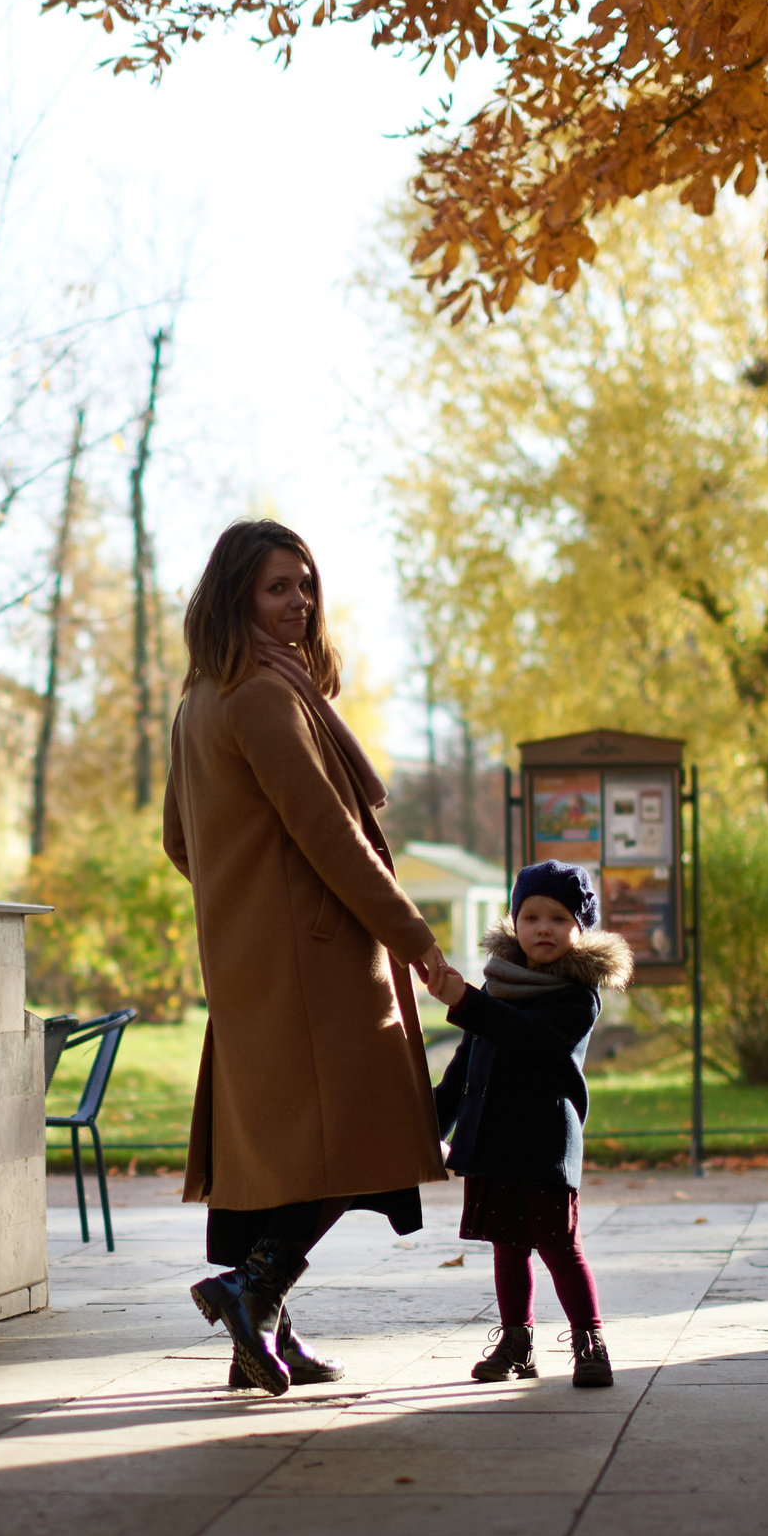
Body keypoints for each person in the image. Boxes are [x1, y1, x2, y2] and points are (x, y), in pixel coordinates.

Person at [162, 519, 450, 1395]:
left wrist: (240, 899)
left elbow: (181, 841)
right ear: (235, 595)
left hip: (256, 960)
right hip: (313, 963)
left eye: (306, 585)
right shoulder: (262, 697)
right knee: (362, 1133)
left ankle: (266, 1335)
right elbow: (332, 839)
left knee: (287, 1153)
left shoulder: (203, 698)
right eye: (277, 587)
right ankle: (252, 1290)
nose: (299, 603)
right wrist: (421, 944)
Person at [421, 861, 633, 1388]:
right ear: (514, 922)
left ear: (579, 929)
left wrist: (465, 1002)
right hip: (493, 1143)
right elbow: (462, 1074)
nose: (544, 928)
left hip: (543, 1145)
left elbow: (529, 1037)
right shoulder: (495, 992)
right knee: (508, 1247)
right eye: (531, 915)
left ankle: (590, 1340)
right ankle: (517, 1341)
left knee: (559, 1245)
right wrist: (426, 1125)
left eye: (559, 918)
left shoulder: (577, 996)